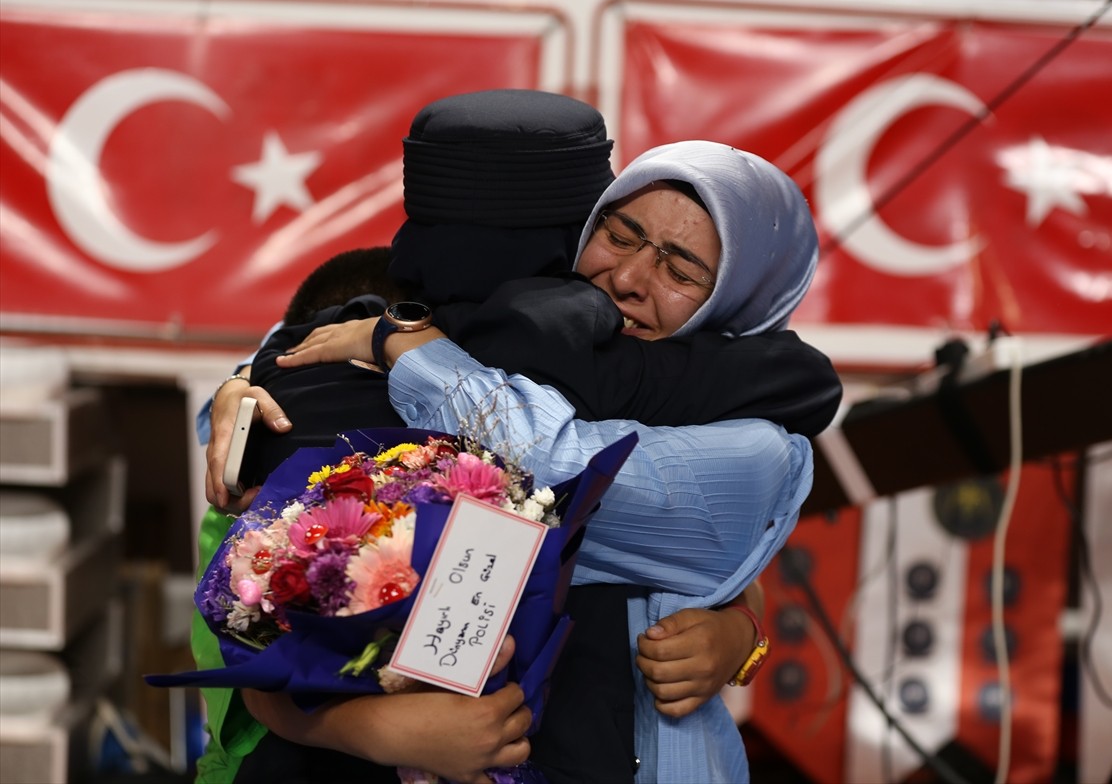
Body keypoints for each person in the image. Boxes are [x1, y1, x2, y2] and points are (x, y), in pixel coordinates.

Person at [264, 138, 824, 783]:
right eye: (621, 234)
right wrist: (250, 386)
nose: (629, 279)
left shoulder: (757, 450)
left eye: (681, 271)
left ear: (739, 297)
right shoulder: (521, 344)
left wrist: (409, 346)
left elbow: (539, 470)